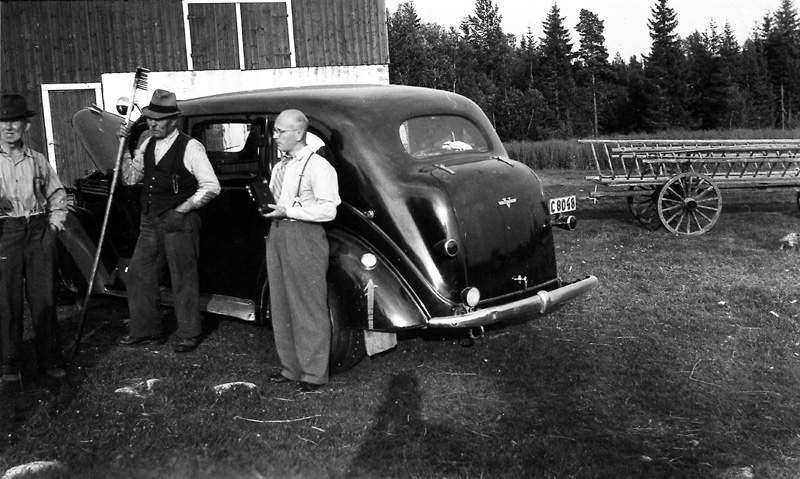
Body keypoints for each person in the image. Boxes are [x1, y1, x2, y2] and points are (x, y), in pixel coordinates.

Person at [117, 89, 220, 353]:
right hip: (150, 221)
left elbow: (211, 186)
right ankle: (146, 331)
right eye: (150, 118)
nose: (152, 124)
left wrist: (183, 208)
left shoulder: (190, 147)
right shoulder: (146, 143)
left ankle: (188, 333)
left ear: (173, 120)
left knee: (182, 278)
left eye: (158, 120)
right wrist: (123, 148)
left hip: (180, 222)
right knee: (138, 273)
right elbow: (130, 178)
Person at [263, 109, 340, 393]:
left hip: (304, 235)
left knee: (308, 304)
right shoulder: (280, 167)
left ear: (298, 133)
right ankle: (291, 368)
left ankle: (313, 373)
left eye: (280, 131)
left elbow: (328, 209)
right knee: (281, 303)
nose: (275, 136)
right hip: (278, 233)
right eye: (275, 131)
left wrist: (289, 211)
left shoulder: (319, 166)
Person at [0, 93, 68, 383]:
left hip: (38, 230)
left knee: (44, 299)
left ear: (25, 125)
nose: (8, 127)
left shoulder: (37, 159)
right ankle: (10, 364)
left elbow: (57, 195)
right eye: (3, 121)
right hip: (6, 232)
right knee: (7, 300)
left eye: (14, 121)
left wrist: (53, 227)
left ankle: (50, 360)